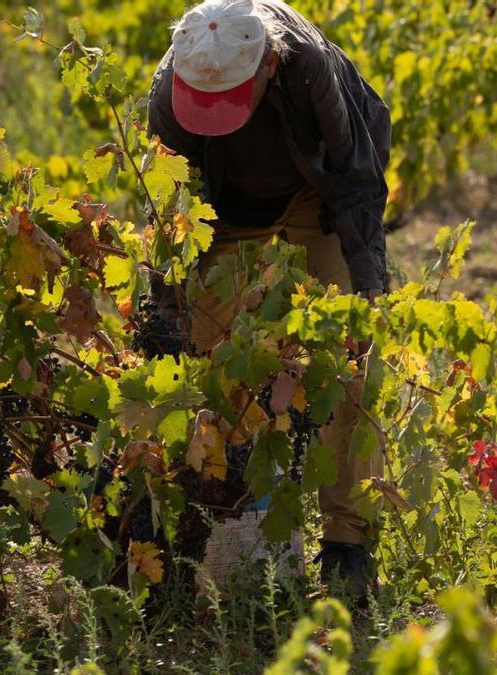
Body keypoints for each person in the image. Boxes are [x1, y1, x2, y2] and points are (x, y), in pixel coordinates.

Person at [147, 0, 390, 597]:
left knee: (348, 361)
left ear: (267, 68)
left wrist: (368, 289)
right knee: (213, 365)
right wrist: (164, 316)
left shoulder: (306, 65)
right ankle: (230, 529)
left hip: (319, 194)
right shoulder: (167, 91)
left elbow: (356, 176)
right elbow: (172, 214)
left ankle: (347, 546)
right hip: (225, 212)